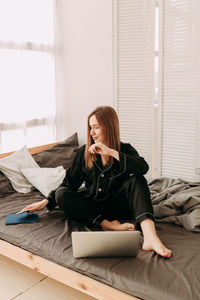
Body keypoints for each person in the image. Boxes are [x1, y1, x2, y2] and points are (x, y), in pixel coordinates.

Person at [22, 106, 172, 258]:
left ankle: (150, 237)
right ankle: (107, 225)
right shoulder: (84, 152)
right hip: (93, 209)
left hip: (119, 206)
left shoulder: (125, 149)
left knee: (138, 179)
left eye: (96, 127)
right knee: (62, 194)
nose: (91, 133)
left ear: (109, 127)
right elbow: (69, 184)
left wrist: (111, 152)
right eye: (90, 128)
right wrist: (46, 202)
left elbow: (143, 168)